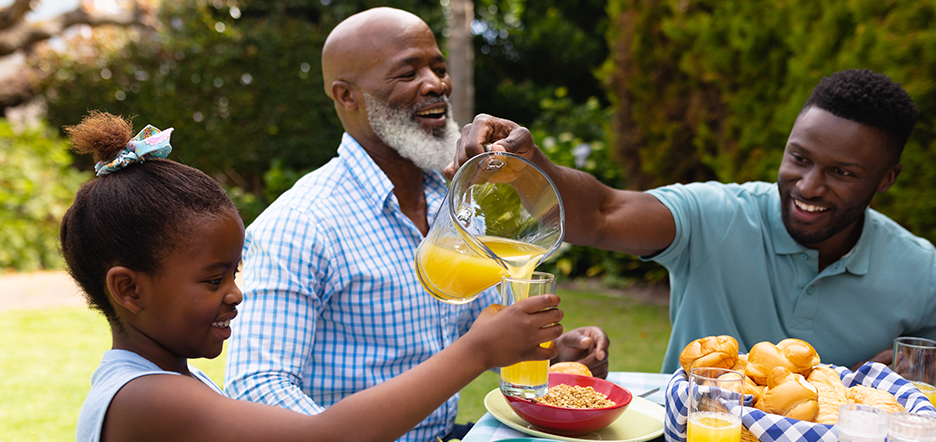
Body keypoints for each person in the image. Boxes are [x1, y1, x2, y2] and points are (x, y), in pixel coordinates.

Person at [224, 7, 609, 442]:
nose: (436, 84)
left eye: (439, 68)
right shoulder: (302, 223)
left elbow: (471, 334)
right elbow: (255, 391)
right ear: (347, 95)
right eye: (408, 73)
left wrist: (554, 352)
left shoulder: (458, 200)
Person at [65, 110, 565, 442]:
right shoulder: (146, 399)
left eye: (233, 273)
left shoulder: (168, 378)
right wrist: (476, 352)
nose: (236, 294)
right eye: (213, 280)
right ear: (129, 289)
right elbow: (327, 437)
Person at [446, 68, 936, 374]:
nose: (808, 186)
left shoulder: (920, 272)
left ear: (886, 179)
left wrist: (914, 370)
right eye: (799, 158)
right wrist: (535, 166)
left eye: (842, 173)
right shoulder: (718, 216)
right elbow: (602, 213)